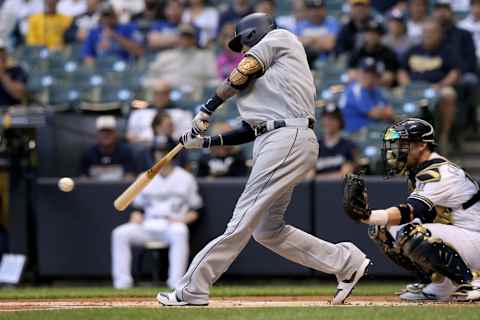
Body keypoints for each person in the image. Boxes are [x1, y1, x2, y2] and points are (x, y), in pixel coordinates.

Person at [157, 13, 370, 307]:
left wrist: (207, 109)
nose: (241, 50)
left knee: (241, 220)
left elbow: (244, 69)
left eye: (242, 43)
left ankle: (192, 289)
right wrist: (205, 142)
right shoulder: (266, 80)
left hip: (287, 138)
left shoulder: (279, 39)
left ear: (252, 34)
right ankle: (346, 262)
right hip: (275, 139)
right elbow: (251, 128)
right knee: (267, 230)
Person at [343, 118, 480, 302]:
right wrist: (372, 219)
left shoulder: (440, 172)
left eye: (403, 144)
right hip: (463, 236)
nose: (396, 150)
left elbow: (410, 212)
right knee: (382, 230)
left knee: (411, 232)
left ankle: (473, 282)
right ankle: (440, 285)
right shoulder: (419, 171)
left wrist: (366, 215)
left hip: (474, 236)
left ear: (422, 145)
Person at [111, 139, 202, 289]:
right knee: (120, 233)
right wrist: (136, 216)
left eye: (166, 152)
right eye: (159, 152)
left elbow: (197, 209)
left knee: (180, 231)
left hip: (172, 225)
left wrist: (183, 221)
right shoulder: (144, 177)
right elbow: (138, 207)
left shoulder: (186, 178)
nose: (162, 156)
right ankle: (122, 283)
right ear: (153, 155)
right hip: (148, 224)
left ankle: (176, 283)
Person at [398, 18, 460, 152]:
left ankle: (444, 135)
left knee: (449, 95)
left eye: (432, 32)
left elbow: (454, 72)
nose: (428, 36)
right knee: (395, 96)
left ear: (439, 34)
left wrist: (441, 85)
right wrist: (407, 85)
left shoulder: (447, 50)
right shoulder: (413, 50)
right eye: (426, 33)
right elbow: (402, 70)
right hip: (414, 88)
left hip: (436, 88)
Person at [145, 24, 218, 97]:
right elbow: (149, 78)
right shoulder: (165, 55)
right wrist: (159, 85)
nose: (185, 40)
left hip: (195, 97)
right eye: (182, 36)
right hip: (166, 95)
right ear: (177, 38)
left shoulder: (205, 56)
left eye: (188, 37)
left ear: (194, 39)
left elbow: (214, 80)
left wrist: (202, 89)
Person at [341, 58, 395, 136]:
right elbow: (375, 113)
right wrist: (383, 112)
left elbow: (391, 113)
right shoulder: (355, 90)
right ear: (359, 73)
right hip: (353, 134)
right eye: (365, 72)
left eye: (371, 73)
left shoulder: (376, 90)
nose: (368, 76)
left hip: (372, 132)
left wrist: (383, 112)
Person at [127, 80, 193, 143]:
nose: (160, 96)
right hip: (144, 148)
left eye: (164, 93)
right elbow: (130, 136)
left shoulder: (183, 114)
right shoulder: (138, 114)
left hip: (173, 148)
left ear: (169, 94)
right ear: (152, 94)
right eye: (157, 93)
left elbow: (188, 137)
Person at [80, 116, 137, 181]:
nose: (106, 135)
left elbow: (130, 177)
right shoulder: (88, 153)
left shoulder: (125, 152)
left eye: (109, 132)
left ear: (115, 134)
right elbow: (83, 178)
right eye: (102, 132)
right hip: (93, 190)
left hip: (120, 190)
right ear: (97, 134)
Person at [348, 20, 400, 88]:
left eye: (375, 33)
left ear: (380, 36)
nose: (371, 36)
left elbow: (389, 79)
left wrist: (368, 81)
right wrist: (369, 81)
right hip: (360, 89)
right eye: (369, 33)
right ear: (364, 35)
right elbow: (351, 75)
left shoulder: (388, 53)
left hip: (384, 91)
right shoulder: (357, 52)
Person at [314, 104, 357, 178]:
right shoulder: (315, 147)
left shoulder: (348, 146)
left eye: (332, 118)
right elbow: (309, 178)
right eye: (326, 118)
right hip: (318, 189)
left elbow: (345, 176)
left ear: (340, 122)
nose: (328, 122)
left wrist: (318, 178)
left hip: (340, 189)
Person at [293, 0, 339, 67]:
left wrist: (308, 41)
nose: (316, 12)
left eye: (319, 8)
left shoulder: (332, 23)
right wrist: (320, 40)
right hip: (304, 63)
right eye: (312, 9)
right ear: (307, 11)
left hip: (327, 62)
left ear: (324, 9)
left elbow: (329, 45)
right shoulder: (300, 25)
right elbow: (295, 45)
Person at [0, 42, 27, 107]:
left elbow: (18, 94)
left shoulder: (16, 71)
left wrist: (2, 75)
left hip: (13, 113)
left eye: (2, 57)